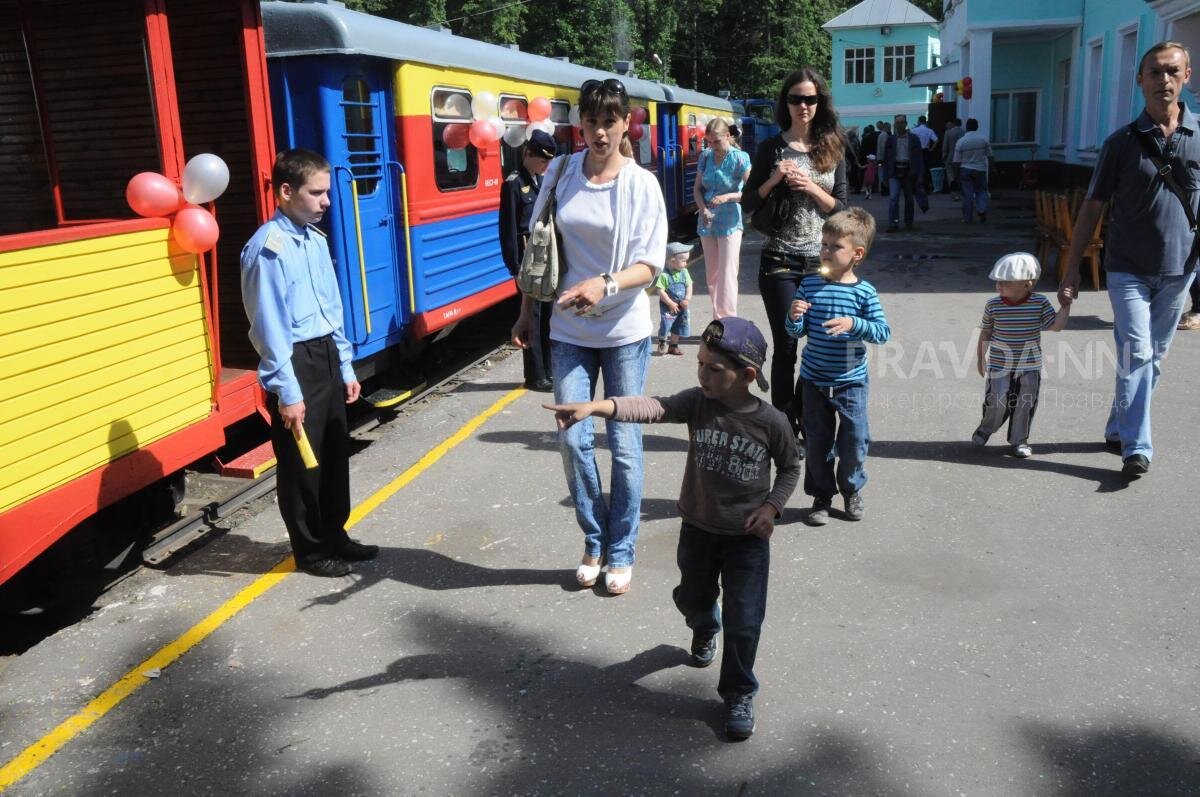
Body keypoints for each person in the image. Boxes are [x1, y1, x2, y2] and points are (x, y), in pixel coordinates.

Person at [543, 316, 800, 740]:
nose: (702, 375)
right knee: (692, 599)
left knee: (745, 620)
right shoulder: (698, 403)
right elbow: (653, 407)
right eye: (699, 364)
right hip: (698, 530)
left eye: (714, 369)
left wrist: (771, 508)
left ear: (747, 376)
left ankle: (738, 692)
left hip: (746, 540)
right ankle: (705, 624)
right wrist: (595, 407)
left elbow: (790, 468)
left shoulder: (771, 422)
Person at [511, 77, 667, 594]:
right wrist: (526, 312)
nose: (600, 132)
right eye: (592, 121)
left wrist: (605, 284)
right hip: (568, 329)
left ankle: (622, 548)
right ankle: (595, 539)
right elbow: (538, 247)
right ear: (580, 124)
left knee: (624, 444)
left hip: (624, 330)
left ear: (626, 124)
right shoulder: (561, 172)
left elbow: (650, 265)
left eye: (610, 122)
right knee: (573, 440)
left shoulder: (642, 185)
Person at [1059, 41, 1200, 478]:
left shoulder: (1199, 137)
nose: (1164, 80)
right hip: (1126, 269)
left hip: (1180, 269)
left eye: (1172, 71)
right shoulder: (1120, 143)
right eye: (1155, 72)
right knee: (1138, 352)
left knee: (1151, 358)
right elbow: (1092, 208)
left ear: (1187, 76)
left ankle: (1119, 425)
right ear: (1140, 80)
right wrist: (1071, 269)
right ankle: (1137, 448)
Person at [240, 149, 376, 577]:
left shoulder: (314, 240)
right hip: (296, 361)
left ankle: (335, 535)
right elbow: (269, 328)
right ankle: (312, 551)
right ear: (286, 191)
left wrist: (346, 365)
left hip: (326, 355)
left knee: (334, 452)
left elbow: (331, 309)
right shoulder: (268, 249)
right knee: (302, 464)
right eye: (317, 193)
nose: (327, 202)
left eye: (327, 192)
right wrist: (287, 391)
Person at [740, 67, 848, 452]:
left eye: (810, 99)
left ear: (820, 103)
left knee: (819, 343)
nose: (803, 106)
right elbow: (748, 202)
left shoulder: (832, 146)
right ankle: (784, 430)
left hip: (822, 263)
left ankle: (801, 414)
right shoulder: (771, 148)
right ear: (785, 104)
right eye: (796, 99)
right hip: (779, 261)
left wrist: (812, 188)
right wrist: (773, 179)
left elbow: (843, 208)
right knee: (787, 344)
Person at [785, 208, 890, 525]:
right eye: (824, 244)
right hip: (813, 380)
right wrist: (794, 316)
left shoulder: (864, 293)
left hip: (851, 381)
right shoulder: (809, 285)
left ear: (857, 254)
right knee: (817, 443)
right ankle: (821, 496)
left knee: (855, 440)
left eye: (835, 246)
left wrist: (854, 324)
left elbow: (882, 333)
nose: (826, 251)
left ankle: (851, 488)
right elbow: (797, 332)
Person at [972, 253, 1071, 458]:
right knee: (997, 400)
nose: (999, 286)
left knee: (1025, 404)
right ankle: (986, 428)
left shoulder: (1039, 302)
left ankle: (1019, 440)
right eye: (998, 281)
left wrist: (1065, 306)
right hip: (1000, 365)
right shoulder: (993, 305)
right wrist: (981, 359)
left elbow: (1056, 326)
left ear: (1027, 284)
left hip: (1030, 366)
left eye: (1006, 282)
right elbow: (986, 332)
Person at [498, 129, 557, 391]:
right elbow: (508, 229)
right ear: (528, 154)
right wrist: (515, 266)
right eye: (542, 161)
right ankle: (535, 375)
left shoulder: (539, 181)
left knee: (547, 315)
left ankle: (548, 369)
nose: (545, 166)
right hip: (526, 258)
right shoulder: (513, 184)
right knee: (531, 316)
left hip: (542, 257)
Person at [693, 118, 751, 319]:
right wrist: (702, 209)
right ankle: (718, 318)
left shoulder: (740, 158)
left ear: (728, 136)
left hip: (730, 221)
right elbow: (697, 189)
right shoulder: (705, 157)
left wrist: (728, 197)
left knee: (727, 273)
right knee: (712, 275)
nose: (712, 146)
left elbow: (751, 192)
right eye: (708, 142)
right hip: (707, 220)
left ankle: (728, 321)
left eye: (716, 141)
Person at [882, 114, 926, 232]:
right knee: (893, 197)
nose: (900, 125)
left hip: (909, 172)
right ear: (894, 124)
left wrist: (920, 175)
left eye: (902, 122)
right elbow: (886, 158)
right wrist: (885, 177)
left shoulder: (914, 139)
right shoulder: (891, 140)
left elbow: (919, 157)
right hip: (895, 172)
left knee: (909, 199)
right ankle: (893, 223)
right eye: (898, 122)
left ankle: (908, 222)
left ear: (906, 124)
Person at [656, 241, 694, 355]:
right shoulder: (664, 275)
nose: (686, 263)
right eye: (683, 261)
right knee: (666, 323)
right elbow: (660, 291)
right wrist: (670, 303)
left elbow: (689, 285)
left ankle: (673, 345)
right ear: (672, 261)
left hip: (681, 305)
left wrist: (687, 299)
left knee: (679, 324)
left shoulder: (684, 272)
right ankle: (662, 340)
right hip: (668, 306)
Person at [954, 118, 993, 223]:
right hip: (980, 169)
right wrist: (993, 168)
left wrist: (956, 175)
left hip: (965, 170)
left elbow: (956, 161)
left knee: (968, 194)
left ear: (967, 127)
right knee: (981, 191)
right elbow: (990, 156)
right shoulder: (983, 139)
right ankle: (982, 210)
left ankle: (967, 218)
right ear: (977, 127)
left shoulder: (961, 141)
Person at [942, 118, 964, 198]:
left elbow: (945, 146)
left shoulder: (948, 132)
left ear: (953, 124)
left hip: (951, 157)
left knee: (950, 175)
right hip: (962, 157)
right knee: (959, 174)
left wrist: (944, 155)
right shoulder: (964, 132)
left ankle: (954, 193)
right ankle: (961, 191)